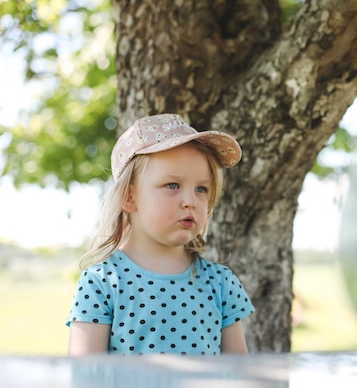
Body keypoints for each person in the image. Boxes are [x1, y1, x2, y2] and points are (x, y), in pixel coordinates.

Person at [66, 113, 255, 356]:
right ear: (129, 197)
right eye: (173, 186)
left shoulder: (220, 283)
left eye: (201, 189)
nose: (190, 201)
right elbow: (85, 379)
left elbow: (240, 376)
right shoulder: (102, 282)